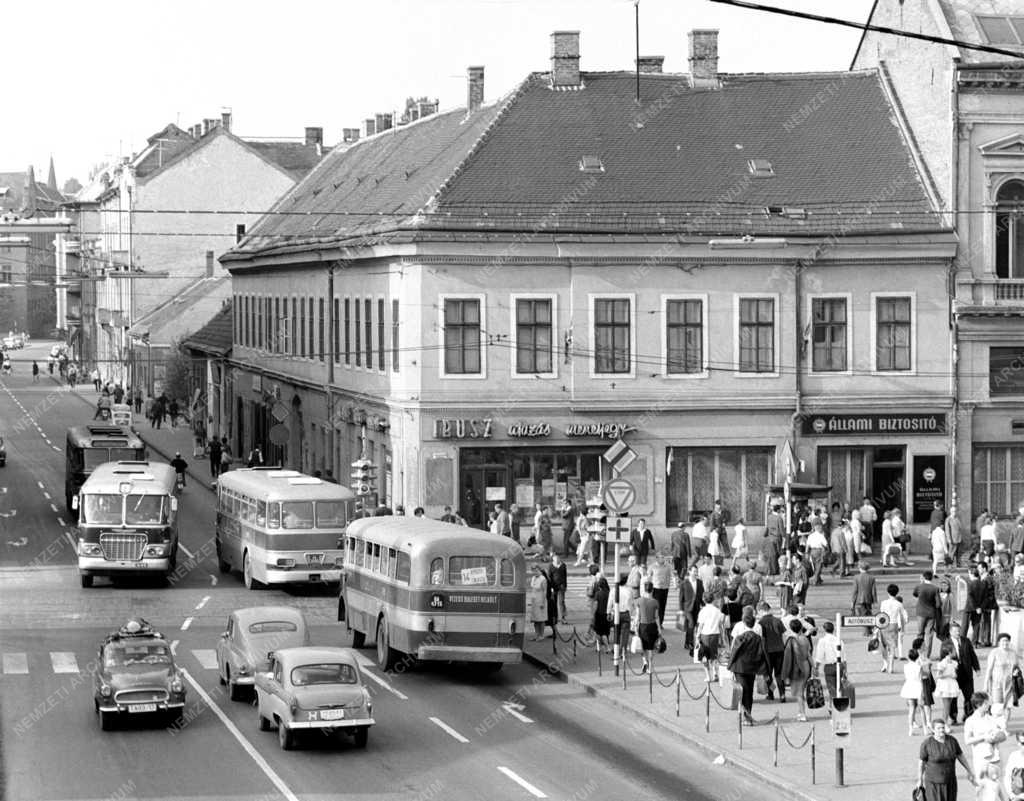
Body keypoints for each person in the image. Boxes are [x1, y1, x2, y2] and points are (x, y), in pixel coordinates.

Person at [918, 718, 976, 801]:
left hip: (950, 782)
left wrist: (969, 771)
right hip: (933, 784)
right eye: (939, 728)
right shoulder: (927, 743)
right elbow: (921, 763)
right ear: (933, 730)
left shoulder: (952, 741)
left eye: (943, 727)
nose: (941, 730)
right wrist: (919, 779)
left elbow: (960, 756)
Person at [728, 608, 768, 726]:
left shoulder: (739, 631)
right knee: (749, 690)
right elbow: (762, 649)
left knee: (743, 689)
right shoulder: (758, 631)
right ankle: (747, 713)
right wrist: (765, 670)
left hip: (740, 665)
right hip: (753, 664)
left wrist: (730, 664)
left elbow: (734, 648)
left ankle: (745, 715)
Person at [965, 692, 1006, 781]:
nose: (988, 705)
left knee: (996, 786)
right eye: (985, 703)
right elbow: (967, 740)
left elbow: (1003, 735)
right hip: (981, 758)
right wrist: (983, 737)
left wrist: (996, 737)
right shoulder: (970, 721)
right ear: (978, 705)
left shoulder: (991, 719)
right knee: (982, 787)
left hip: (995, 757)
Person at [781, 617, 814, 722]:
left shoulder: (790, 640)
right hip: (806, 665)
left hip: (796, 667)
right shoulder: (805, 639)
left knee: (799, 693)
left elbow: (787, 657)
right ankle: (800, 711)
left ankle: (802, 713)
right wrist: (814, 667)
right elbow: (809, 655)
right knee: (801, 690)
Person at [986, 633, 1021, 725]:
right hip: (997, 683)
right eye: (1003, 641)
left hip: (1010, 683)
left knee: (1008, 706)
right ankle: (996, 726)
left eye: (1007, 641)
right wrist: (985, 684)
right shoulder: (994, 652)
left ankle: (1004, 726)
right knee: (997, 706)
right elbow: (989, 669)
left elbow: (1017, 666)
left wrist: (1016, 672)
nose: (1005, 643)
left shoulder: (1013, 653)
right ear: (999, 642)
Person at [758, 602, 787, 702]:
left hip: (767, 651)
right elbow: (784, 635)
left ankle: (771, 694)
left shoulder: (761, 623)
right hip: (779, 649)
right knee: (779, 674)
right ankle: (782, 694)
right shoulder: (777, 620)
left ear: (761, 611)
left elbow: (761, 638)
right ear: (769, 609)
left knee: (768, 674)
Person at [695, 591, 725, 683]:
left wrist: (697, 637)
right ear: (713, 599)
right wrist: (723, 638)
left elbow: (700, 626)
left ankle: (708, 676)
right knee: (714, 656)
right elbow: (721, 625)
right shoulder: (717, 611)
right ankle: (716, 674)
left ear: (704, 600)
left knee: (704, 656)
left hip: (705, 635)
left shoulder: (703, 611)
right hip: (715, 635)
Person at [880, 583, 908, 673]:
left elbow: (881, 615)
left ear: (888, 592)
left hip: (885, 624)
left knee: (884, 646)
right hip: (894, 624)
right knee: (892, 647)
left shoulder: (884, 603)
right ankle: (891, 666)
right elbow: (904, 616)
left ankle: (885, 663)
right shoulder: (899, 604)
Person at [915, 570, 943, 659]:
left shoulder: (919, 587)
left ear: (923, 577)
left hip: (920, 613)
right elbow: (938, 604)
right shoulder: (935, 588)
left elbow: (915, 594)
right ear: (932, 578)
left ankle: (919, 653)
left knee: (920, 633)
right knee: (929, 634)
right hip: (931, 613)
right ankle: (927, 655)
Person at [814, 620, 842, 706]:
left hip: (829, 666)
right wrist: (845, 670)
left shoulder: (822, 641)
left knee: (831, 688)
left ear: (824, 630)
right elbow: (844, 657)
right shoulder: (839, 640)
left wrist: (816, 667)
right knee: (839, 687)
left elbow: (819, 656)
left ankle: (832, 706)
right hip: (839, 665)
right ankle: (838, 704)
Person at [608, 572, 635, 661]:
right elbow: (631, 603)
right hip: (626, 613)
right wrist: (631, 613)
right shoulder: (629, 590)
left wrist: (608, 612)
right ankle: (623, 652)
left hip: (616, 613)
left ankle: (616, 651)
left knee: (617, 633)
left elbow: (610, 602)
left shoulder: (614, 590)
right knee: (625, 634)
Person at [636, 581, 662, 674]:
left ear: (644, 589)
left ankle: (644, 661)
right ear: (652, 590)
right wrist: (659, 628)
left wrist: (635, 626)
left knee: (642, 646)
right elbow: (656, 617)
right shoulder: (655, 602)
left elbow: (637, 616)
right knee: (650, 648)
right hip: (652, 626)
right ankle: (650, 668)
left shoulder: (639, 600)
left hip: (642, 626)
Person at [903, 648, 929, 736]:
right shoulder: (918, 667)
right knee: (922, 709)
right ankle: (925, 728)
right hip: (917, 687)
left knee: (911, 709)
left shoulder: (905, 666)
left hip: (909, 686)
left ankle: (910, 729)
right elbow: (922, 678)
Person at [679, 564, 704, 655]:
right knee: (691, 624)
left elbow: (701, 595)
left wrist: (704, 605)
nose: (695, 573)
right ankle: (690, 643)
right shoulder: (684, 583)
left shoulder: (700, 582)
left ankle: (686, 643)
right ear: (689, 571)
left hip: (697, 607)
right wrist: (681, 609)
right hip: (687, 608)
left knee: (693, 625)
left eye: (696, 571)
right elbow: (680, 597)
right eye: (694, 571)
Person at [851, 560, 878, 636]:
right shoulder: (871, 577)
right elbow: (874, 590)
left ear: (860, 568)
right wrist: (874, 600)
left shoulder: (856, 577)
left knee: (862, 615)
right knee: (868, 613)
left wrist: (852, 600)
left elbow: (855, 590)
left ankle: (866, 631)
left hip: (859, 599)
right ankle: (870, 629)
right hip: (869, 598)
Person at [934, 651, 960, 724]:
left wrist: (954, 675)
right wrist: (949, 675)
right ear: (949, 653)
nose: (954, 652)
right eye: (953, 651)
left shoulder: (954, 663)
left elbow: (954, 673)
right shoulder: (943, 663)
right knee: (946, 706)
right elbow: (938, 675)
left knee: (948, 706)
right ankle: (944, 723)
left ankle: (945, 722)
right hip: (945, 686)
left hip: (951, 685)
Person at [590, 569, 612, 653]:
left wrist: (593, 614)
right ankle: (602, 647)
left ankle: (603, 647)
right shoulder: (609, 592)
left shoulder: (598, 594)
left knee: (599, 632)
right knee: (605, 632)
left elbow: (595, 605)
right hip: (607, 614)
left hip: (599, 615)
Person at [649, 553, 672, 625]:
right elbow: (648, 577)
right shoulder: (652, 566)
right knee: (656, 606)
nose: (662, 559)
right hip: (656, 588)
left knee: (663, 606)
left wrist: (675, 583)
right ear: (657, 558)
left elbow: (672, 575)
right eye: (661, 557)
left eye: (663, 557)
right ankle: (654, 622)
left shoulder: (668, 566)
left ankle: (660, 623)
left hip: (665, 588)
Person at [527, 564, 549, 640]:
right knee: (535, 620)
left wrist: (543, 602)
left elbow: (545, 591)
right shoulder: (533, 578)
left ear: (539, 570)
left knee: (541, 619)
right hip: (534, 601)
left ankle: (541, 635)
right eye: (533, 571)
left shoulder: (543, 579)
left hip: (540, 600)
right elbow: (532, 589)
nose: (534, 572)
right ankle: (536, 635)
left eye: (536, 570)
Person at [1002, 730, 1024, 800]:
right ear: (1018, 743)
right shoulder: (1013, 756)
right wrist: (1012, 795)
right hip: (1015, 797)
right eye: (1023, 743)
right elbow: (1007, 777)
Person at [547, 553, 567, 625]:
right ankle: (554, 617)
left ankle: (563, 617)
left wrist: (565, 586)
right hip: (554, 586)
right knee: (554, 603)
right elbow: (549, 577)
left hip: (561, 586)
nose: (557, 559)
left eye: (558, 558)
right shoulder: (551, 566)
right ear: (553, 559)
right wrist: (550, 587)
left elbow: (565, 576)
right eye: (556, 558)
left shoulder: (563, 565)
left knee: (561, 602)